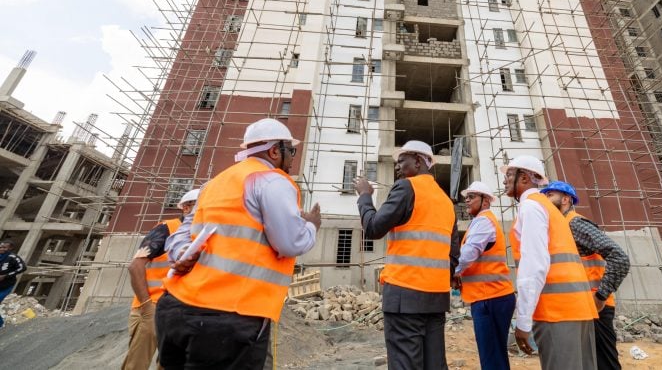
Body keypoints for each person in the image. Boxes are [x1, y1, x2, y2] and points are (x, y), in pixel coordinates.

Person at [156, 118, 321, 369]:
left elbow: (182, 231)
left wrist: (181, 253)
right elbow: (290, 243)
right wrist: (311, 225)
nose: (292, 158)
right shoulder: (270, 180)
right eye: (291, 151)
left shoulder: (215, 183)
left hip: (176, 308)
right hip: (229, 317)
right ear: (275, 150)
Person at [354, 140, 458, 370]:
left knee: (405, 364)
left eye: (402, 161)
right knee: (435, 365)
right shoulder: (446, 202)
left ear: (419, 161)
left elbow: (373, 228)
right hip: (436, 299)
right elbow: (453, 256)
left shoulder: (406, 188)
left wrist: (364, 197)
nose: (398, 167)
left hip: (404, 297)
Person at [501, 156, 598, 370]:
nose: (504, 180)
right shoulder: (549, 208)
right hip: (579, 309)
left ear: (525, 177)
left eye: (509, 174)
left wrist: (523, 321)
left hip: (557, 313)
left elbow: (534, 265)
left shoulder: (531, 207)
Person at [541, 181, 630, 370]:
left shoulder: (575, 223)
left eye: (550, 195)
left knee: (605, 364)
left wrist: (600, 296)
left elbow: (620, 258)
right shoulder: (559, 227)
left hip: (596, 308)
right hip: (581, 308)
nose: (545, 199)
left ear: (565, 199)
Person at [121, 189, 198, 370]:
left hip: (181, 308)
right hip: (153, 306)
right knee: (136, 364)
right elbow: (135, 266)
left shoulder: (199, 234)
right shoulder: (167, 229)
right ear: (186, 208)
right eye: (199, 205)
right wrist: (146, 305)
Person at [453, 181, 515, 370]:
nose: (467, 201)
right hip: (491, 296)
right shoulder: (481, 221)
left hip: (490, 298)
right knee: (495, 355)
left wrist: (449, 273)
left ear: (486, 201)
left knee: (491, 359)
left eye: (472, 197)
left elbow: (466, 256)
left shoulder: (483, 221)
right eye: (466, 198)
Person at [0, 240, 26, 329]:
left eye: (4, 247)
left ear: (10, 248)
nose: (2, 249)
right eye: (0, 247)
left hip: (6, 286)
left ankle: (1, 324)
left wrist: (6, 275)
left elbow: (23, 268)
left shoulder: (13, 257)